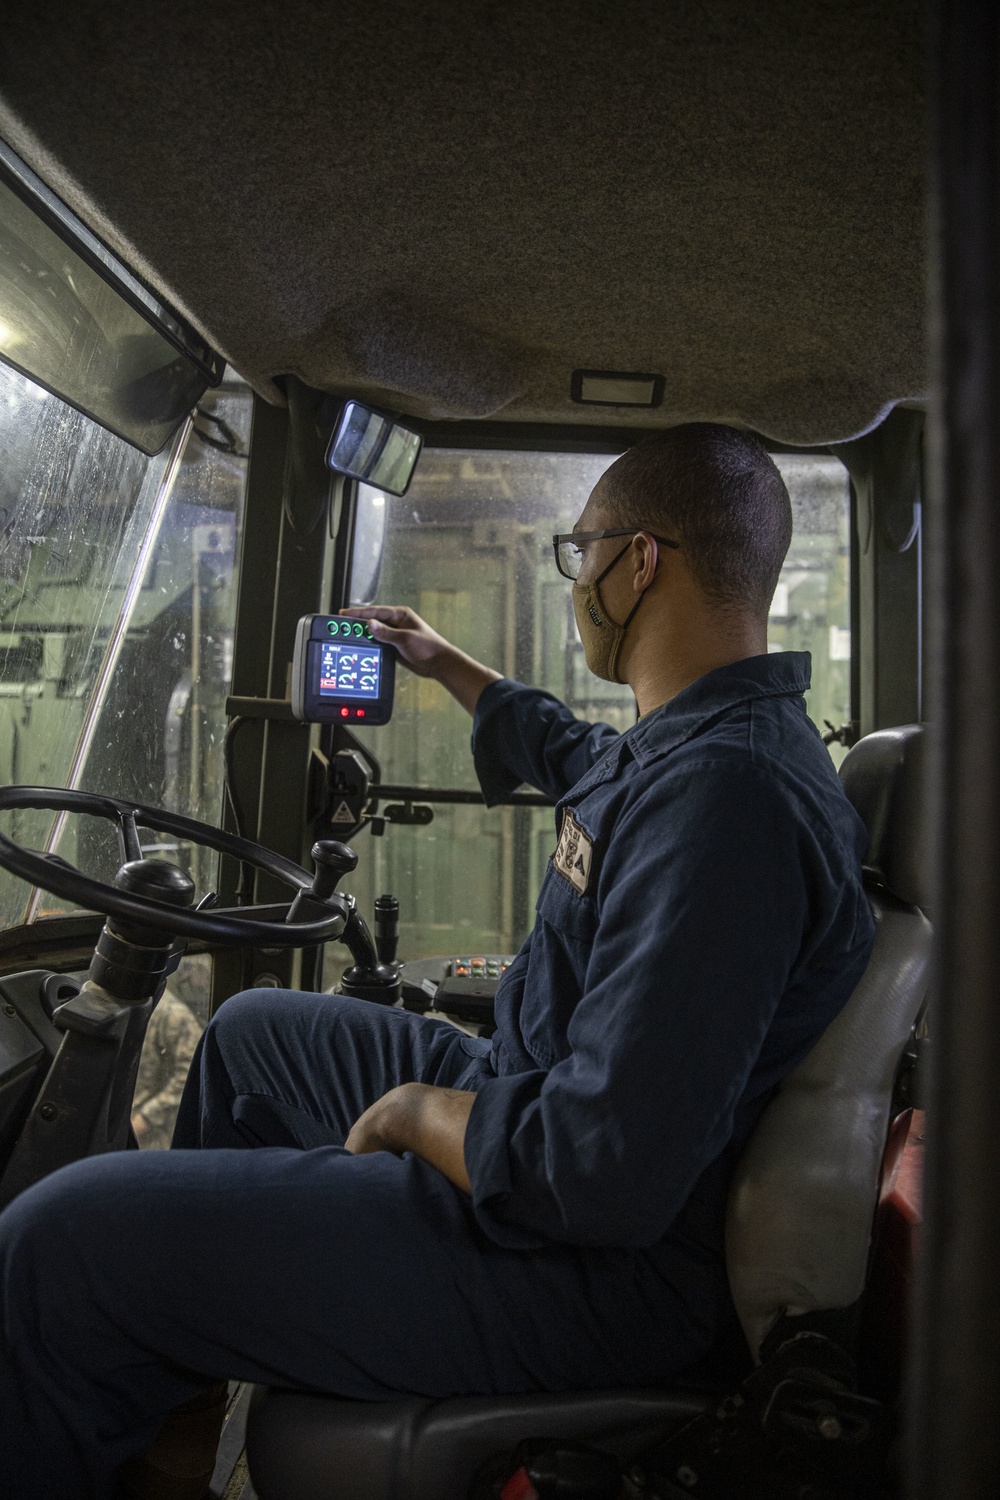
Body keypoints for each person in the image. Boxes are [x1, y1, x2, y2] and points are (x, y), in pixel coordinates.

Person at [0, 424, 875, 1500]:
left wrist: (420, 1113)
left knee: (60, 1238)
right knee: (250, 1036)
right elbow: (580, 761)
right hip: (538, 1109)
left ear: (639, 560)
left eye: (579, 553)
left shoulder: (730, 801)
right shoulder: (698, 744)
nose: (576, 583)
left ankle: (102, 1352)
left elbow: (602, 1172)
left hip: (586, 1270)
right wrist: (444, 660)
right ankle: (170, 1399)